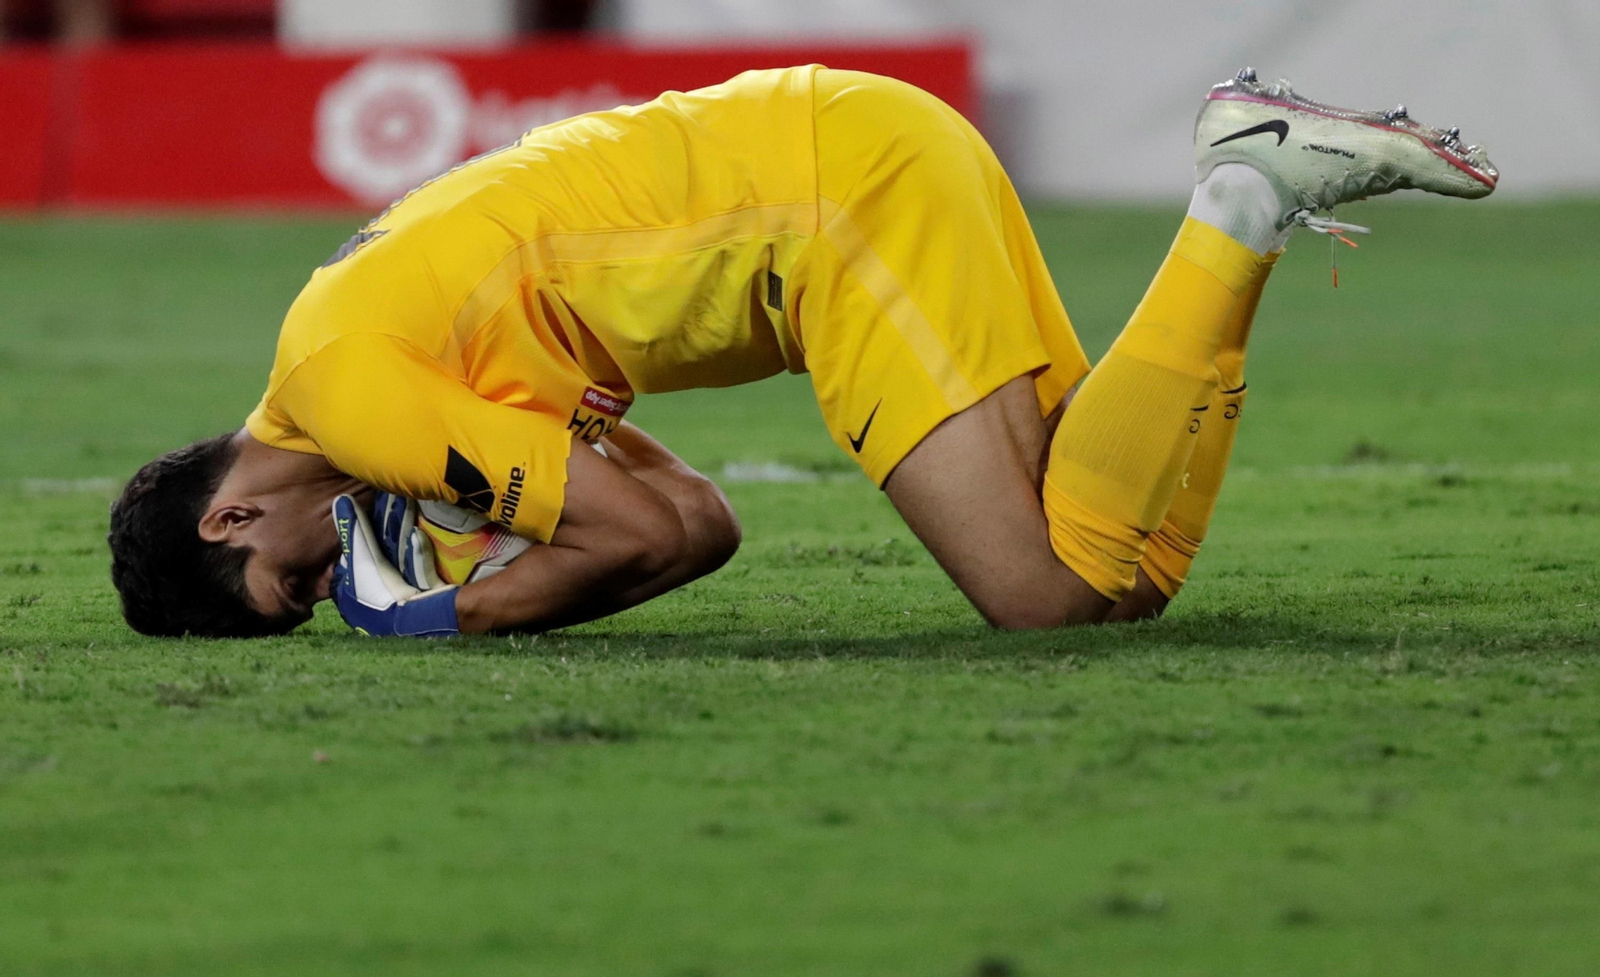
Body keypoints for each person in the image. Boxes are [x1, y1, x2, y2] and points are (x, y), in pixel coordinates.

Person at [107, 66, 1497, 638]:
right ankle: (1251, 191)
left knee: (1041, 592)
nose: (339, 563)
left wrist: (445, 616)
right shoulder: (353, 356)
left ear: (234, 513)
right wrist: (511, 551)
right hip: (854, 153)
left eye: (299, 574)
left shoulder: (355, 397)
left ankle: (1245, 194)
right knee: (1116, 568)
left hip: (831, 211)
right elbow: (699, 524)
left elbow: (648, 531)